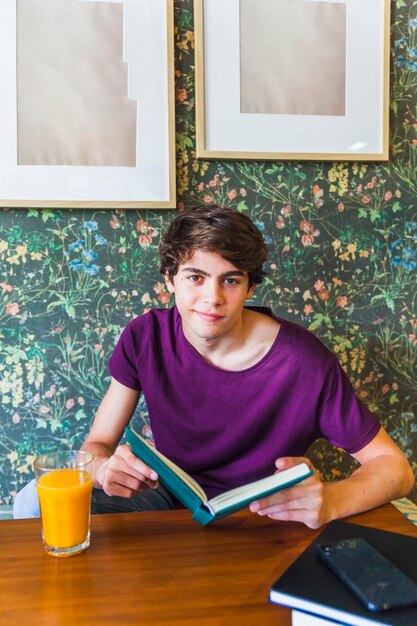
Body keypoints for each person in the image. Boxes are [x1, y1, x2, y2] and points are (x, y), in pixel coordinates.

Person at [14, 205, 414, 526]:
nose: (212, 298)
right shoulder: (145, 336)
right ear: (169, 278)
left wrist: (328, 500)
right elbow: (98, 443)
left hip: (260, 516)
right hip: (167, 498)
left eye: (230, 280)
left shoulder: (306, 361)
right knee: (35, 497)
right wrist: (103, 470)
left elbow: (396, 469)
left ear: (250, 287)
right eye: (195, 277)